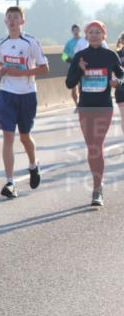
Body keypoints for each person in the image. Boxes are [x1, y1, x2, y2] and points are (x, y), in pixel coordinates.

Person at [66, 21, 124, 206]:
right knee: (92, 148)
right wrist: (80, 70)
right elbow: (69, 83)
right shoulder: (80, 56)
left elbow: (122, 75)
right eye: (91, 32)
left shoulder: (110, 55)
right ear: (86, 36)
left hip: (104, 107)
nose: (94, 35)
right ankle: (98, 185)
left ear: (104, 35)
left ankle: (97, 189)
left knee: (97, 145)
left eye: (98, 32)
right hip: (85, 107)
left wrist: (118, 83)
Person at [0, 6, 49, 199]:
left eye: (16, 17)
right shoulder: (1, 43)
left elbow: (44, 68)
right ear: (5, 21)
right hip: (7, 93)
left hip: (27, 94)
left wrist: (24, 73)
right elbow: (1, 63)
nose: (12, 20)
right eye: (9, 17)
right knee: (8, 137)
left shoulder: (31, 42)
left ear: (22, 22)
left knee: (24, 136)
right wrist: (0, 69)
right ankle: (10, 182)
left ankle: (33, 165)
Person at [62, 24, 85, 105]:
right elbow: (64, 56)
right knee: (73, 88)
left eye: (77, 30)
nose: (76, 32)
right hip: (73, 68)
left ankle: (82, 103)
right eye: (74, 30)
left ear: (80, 31)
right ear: (72, 32)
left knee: (81, 87)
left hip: (83, 67)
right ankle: (76, 104)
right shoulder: (69, 43)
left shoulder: (84, 41)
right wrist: (73, 62)